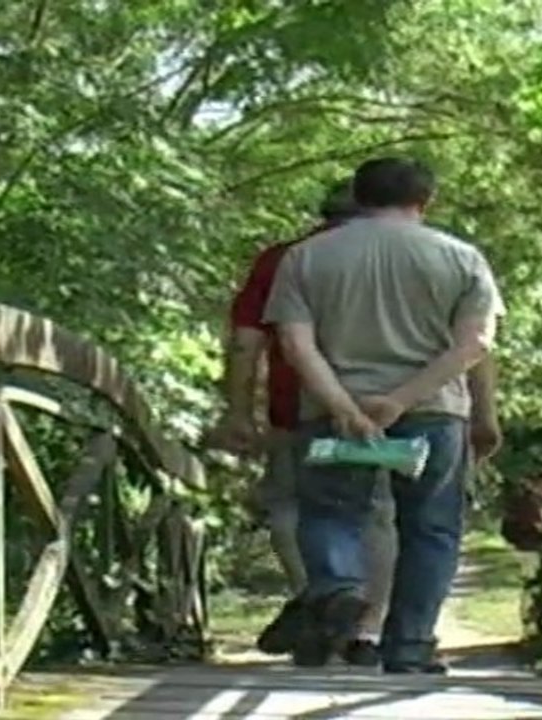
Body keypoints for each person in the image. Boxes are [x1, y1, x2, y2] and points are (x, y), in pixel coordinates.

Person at [264, 157, 504, 671]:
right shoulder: (462, 258)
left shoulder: (305, 258)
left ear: (357, 195)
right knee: (431, 528)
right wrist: (401, 398)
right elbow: (475, 343)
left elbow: (294, 344)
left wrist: (344, 406)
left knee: (330, 512)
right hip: (434, 412)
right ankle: (411, 647)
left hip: (333, 412)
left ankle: (338, 589)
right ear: (426, 200)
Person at [207, 179, 396, 666]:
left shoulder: (284, 259)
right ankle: (367, 632)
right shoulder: (415, 254)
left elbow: (247, 342)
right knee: (375, 511)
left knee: (294, 504)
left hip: (299, 409)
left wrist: (239, 410)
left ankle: (323, 599)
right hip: (389, 407)